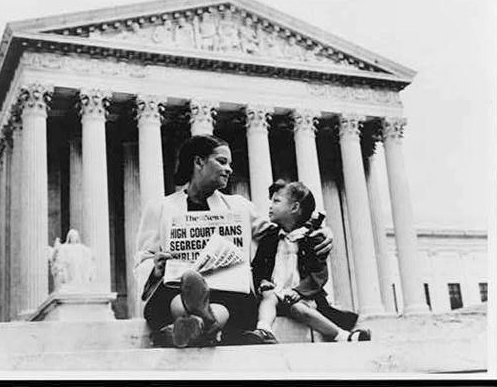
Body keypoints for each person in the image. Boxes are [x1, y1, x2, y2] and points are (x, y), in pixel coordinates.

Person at [134, 135, 334, 348]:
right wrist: (155, 268)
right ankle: (203, 323)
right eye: (221, 161)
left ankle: (192, 326)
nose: (229, 169)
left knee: (234, 301)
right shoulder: (161, 208)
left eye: (230, 163)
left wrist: (319, 229)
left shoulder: (239, 207)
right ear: (199, 162)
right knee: (175, 295)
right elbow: (143, 259)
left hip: (227, 291)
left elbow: (281, 231)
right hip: (176, 288)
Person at [245, 180, 371, 344]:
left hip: (302, 295)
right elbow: (258, 265)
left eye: (276, 201)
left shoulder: (313, 238)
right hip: (275, 291)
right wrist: (262, 282)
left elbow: (319, 274)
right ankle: (264, 329)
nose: (270, 206)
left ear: (295, 207)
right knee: (268, 297)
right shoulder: (269, 237)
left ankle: (342, 335)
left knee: (299, 309)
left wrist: (300, 291)